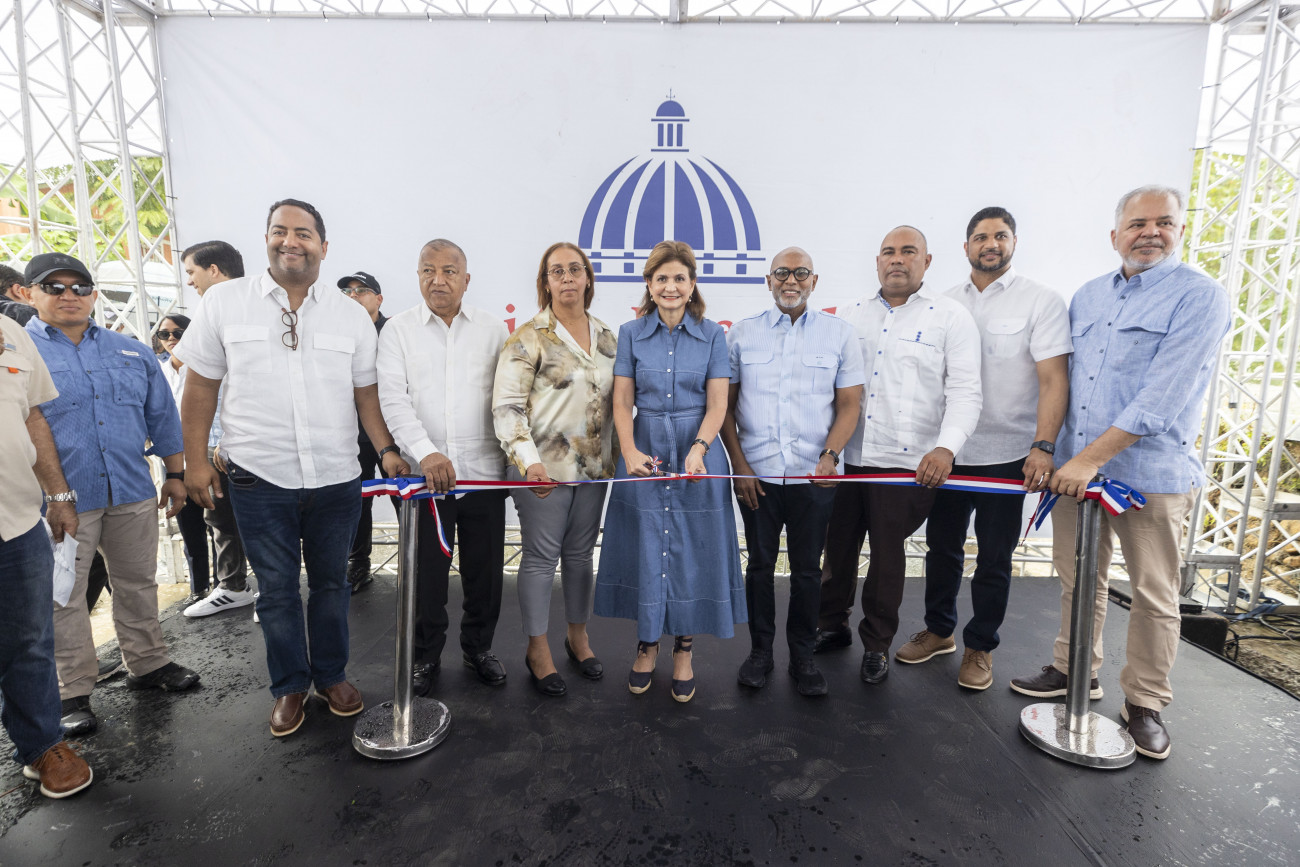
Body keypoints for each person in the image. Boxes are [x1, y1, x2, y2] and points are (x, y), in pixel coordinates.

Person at [1010, 186, 1231, 760]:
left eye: (1163, 222)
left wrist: (1090, 459)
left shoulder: (1200, 297)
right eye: (1137, 224)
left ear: (1181, 230)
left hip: (1147, 476)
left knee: (1154, 594)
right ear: (1115, 235)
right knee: (1078, 580)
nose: (1149, 232)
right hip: (1074, 475)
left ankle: (1145, 703)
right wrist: (1053, 452)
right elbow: (1066, 382)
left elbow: (1162, 397)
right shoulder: (1087, 297)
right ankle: (1074, 670)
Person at [177, 199, 408, 737]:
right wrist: (194, 462)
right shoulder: (224, 303)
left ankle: (331, 676)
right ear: (266, 240)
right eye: (280, 231)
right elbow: (200, 387)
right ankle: (289, 686)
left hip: (336, 477)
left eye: (303, 233)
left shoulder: (350, 315)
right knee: (277, 590)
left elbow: (367, 394)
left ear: (323, 246)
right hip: (258, 477)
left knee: (331, 585)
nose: (291, 241)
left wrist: (387, 450)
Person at [24, 252, 201, 737]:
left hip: (130, 489)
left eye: (79, 287)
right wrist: (53, 495)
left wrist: (175, 473)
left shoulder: (131, 351)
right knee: (64, 595)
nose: (69, 296)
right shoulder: (18, 354)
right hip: (59, 501)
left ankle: (148, 663)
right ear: (30, 294)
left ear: (94, 294)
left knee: (138, 582)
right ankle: (71, 691)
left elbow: (162, 415)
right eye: (54, 287)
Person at [896, 208, 1071, 690]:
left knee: (994, 557)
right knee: (941, 549)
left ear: (1014, 242)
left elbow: (1054, 380)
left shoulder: (1041, 301)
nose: (990, 244)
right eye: (980, 237)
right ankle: (939, 631)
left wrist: (1042, 446)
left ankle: (980, 646)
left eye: (1000, 235)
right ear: (966, 246)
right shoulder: (942, 303)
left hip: (1009, 454)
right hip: (948, 452)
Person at [815, 227, 982, 686]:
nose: (897, 259)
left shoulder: (951, 317)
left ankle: (877, 646)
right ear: (877, 261)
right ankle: (831, 625)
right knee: (837, 548)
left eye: (909, 252)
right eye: (889, 252)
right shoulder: (848, 315)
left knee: (887, 560)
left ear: (927, 261)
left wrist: (946, 447)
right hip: (848, 457)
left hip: (905, 464)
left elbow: (966, 392)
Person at [594, 240, 746, 703]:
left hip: (699, 449)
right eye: (661, 278)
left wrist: (699, 448)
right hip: (644, 448)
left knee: (692, 551)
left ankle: (684, 648)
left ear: (692, 284)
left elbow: (718, 404)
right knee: (646, 546)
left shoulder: (714, 335)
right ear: (649, 284)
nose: (671, 286)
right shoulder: (631, 332)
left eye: (680, 278)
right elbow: (622, 401)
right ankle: (647, 644)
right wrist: (628, 450)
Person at [720, 246, 863, 697]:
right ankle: (760, 653)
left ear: (814, 282)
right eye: (782, 273)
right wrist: (740, 466)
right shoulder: (741, 334)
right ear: (768, 281)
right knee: (760, 567)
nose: (791, 280)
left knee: (806, 571)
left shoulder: (840, 334)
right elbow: (724, 408)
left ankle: (803, 657)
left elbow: (850, 405)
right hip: (757, 477)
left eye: (801, 273)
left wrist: (831, 456)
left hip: (814, 477)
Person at [378, 241, 509, 693]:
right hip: (424, 479)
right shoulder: (397, 331)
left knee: (485, 574)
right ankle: (425, 657)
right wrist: (426, 451)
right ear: (417, 276)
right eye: (428, 270)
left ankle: (479, 648)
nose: (438, 280)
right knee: (425, 577)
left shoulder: (494, 330)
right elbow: (392, 399)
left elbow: (509, 398)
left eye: (449, 271)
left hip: (484, 475)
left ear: (466, 280)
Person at [493, 242, 616, 697]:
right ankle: (538, 649)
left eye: (574, 269)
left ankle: (577, 638)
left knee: (581, 556)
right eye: (556, 271)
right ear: (545, 282)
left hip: (594, 470)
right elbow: (507, 409)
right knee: (542, 558)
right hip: (541, 472)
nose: (566, 278)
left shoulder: (608, 337)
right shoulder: (526, 338)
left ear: (588, 278)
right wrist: (530, 462)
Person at [0, 311, 93, 798]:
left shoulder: (11, 333)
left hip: (15, 520)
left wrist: (58, 495)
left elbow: (32, 415)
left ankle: (42, 745)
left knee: (30, 642)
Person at [179, 240, 255, 618]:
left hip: (243, 442)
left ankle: (273, 593)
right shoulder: (212, 309)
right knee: (220, 518)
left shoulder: (250, 307)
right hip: (216, 442)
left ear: (213, 270)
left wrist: (225, 440)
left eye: (191, 272)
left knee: (261, 520)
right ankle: (233, 586)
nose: (189, 281)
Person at [157, 313, 213, 603]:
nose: (171, 339)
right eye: (164, 334)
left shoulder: (207, 370)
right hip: (174, 465)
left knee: (219, 528)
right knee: (189, 529)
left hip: (207, 460)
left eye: (178, 332)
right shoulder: (156, 373)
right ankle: (198, 588)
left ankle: (227, 585)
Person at [338, 270, 388, 593]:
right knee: (357, 503)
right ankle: (358, 564)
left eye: (361, 290)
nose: (353, 296)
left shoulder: (395, 331)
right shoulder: (336, 332)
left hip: (393, 434)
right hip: (351, 435)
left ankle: (418, 564)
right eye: (347, 292)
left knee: (407, 500)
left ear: (379, 299)